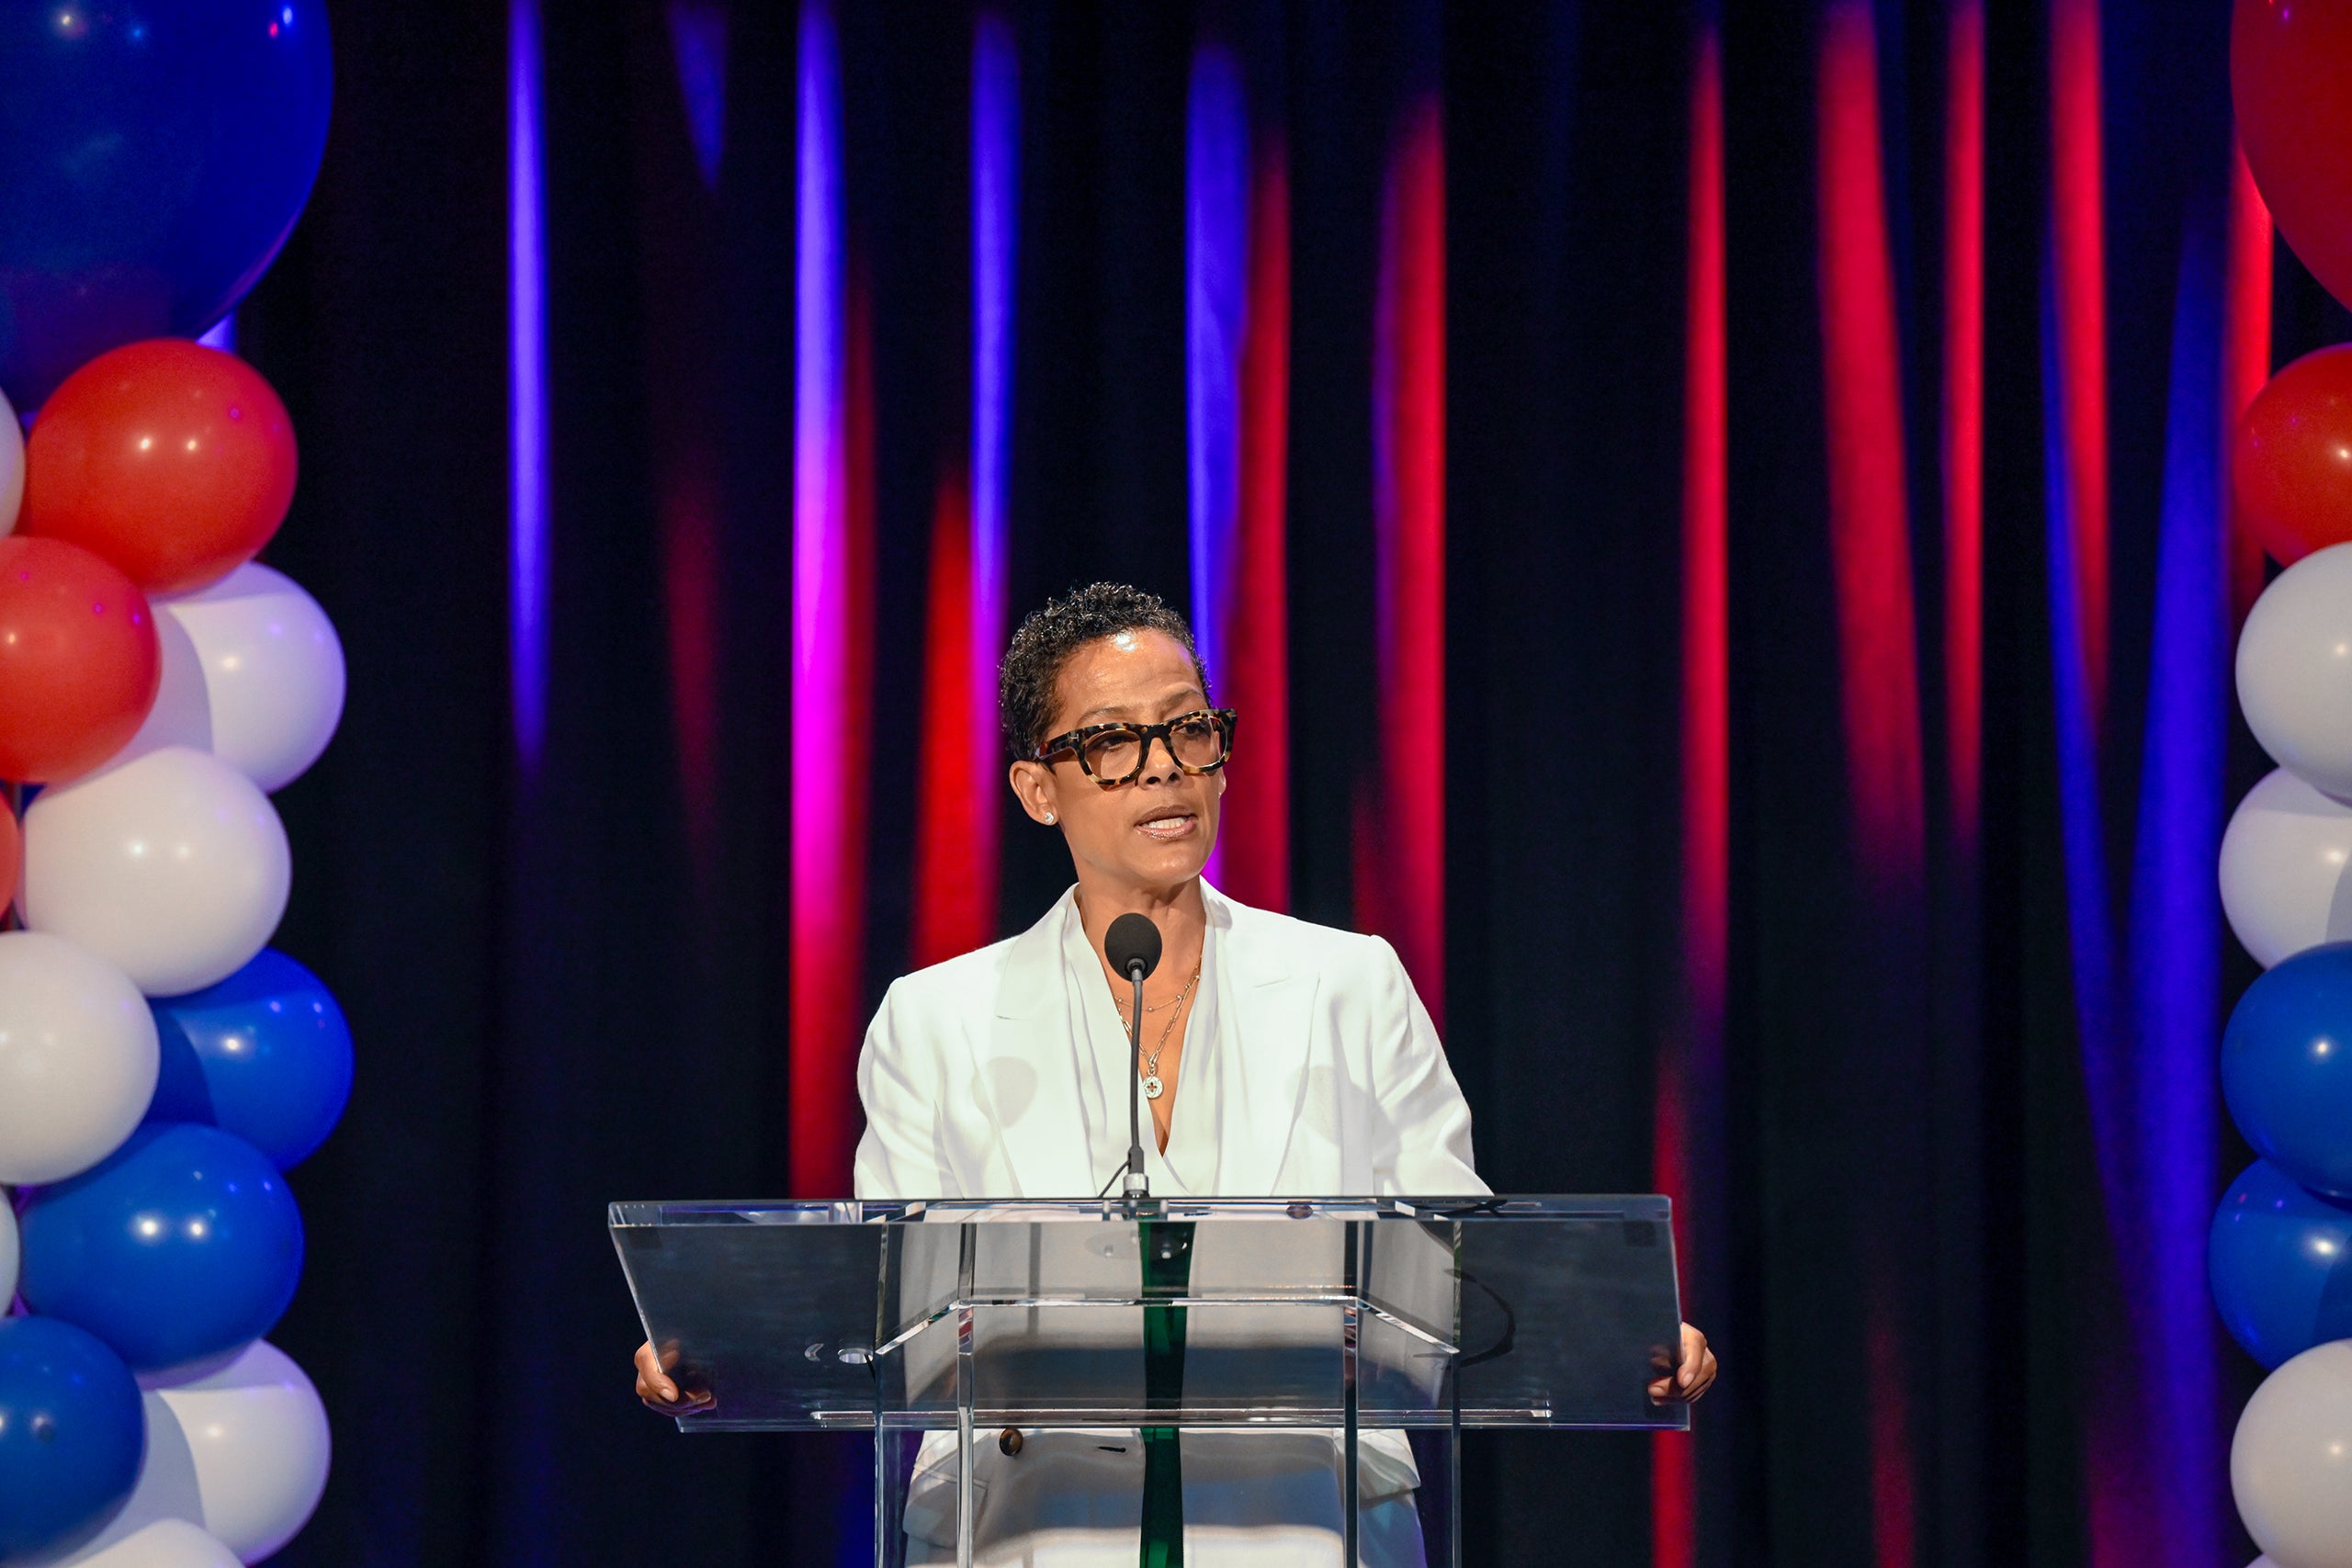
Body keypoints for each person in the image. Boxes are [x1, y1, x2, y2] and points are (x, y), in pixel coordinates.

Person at [635, 582, 1717, 1563]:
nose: (1162, 766)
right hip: (1026, 1529)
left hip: (1305, 1522)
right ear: (1036, 789)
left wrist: (1606, 1329)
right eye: (1110, 741)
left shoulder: (1350, 984)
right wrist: (735, 1349)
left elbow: (1459, 1262)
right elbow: (886, 1307)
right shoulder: (936, 1020)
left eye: (1188, 729)